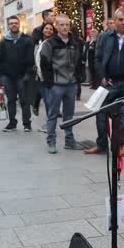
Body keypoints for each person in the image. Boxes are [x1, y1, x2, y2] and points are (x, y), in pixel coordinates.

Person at [84, 7, 124, 157]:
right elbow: (98, 58)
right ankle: (101, 144)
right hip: (109, 83)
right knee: (99, 111)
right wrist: (103, 76)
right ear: (115, 20)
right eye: (120, 20)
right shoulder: (105, 37)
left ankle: (117, 146)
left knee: (123, 116)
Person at [40, 14, 85, 154]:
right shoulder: (49, 43)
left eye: (67, 24)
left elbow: (79, 62)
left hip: (71, 84)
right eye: (62, 25)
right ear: (56, 26)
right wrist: (50, 83)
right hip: (56, 85)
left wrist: (78, 78)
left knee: (69, 115)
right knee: (53, 114)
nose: (65, 27)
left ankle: (69, 141)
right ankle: (51, 141)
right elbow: (44, 64)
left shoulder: (75, 42)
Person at [0, 15, 35, 132]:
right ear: (8, 26)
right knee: (11, 100)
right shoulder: (4, 41)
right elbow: (0, 59)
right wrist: (0, 76)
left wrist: (28, 74)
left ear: (19, 25)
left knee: (24, 100)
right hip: (8, 77)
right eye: (11, 23)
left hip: (22, 76)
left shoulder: (27, 40)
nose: (13, 25)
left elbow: (30, 59)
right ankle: (12, 123)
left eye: (15, 23)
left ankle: (27, 124)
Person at [33, 22, 55, 133]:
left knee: (49, 102)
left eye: (51, 29)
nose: (48, 31)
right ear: (42, 30)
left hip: (48, 78)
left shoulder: (53, 42)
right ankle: (49, 124)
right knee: (47, 101)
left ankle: (50, 126)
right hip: (40, 76)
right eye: (46, 28)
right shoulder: (39, 42)